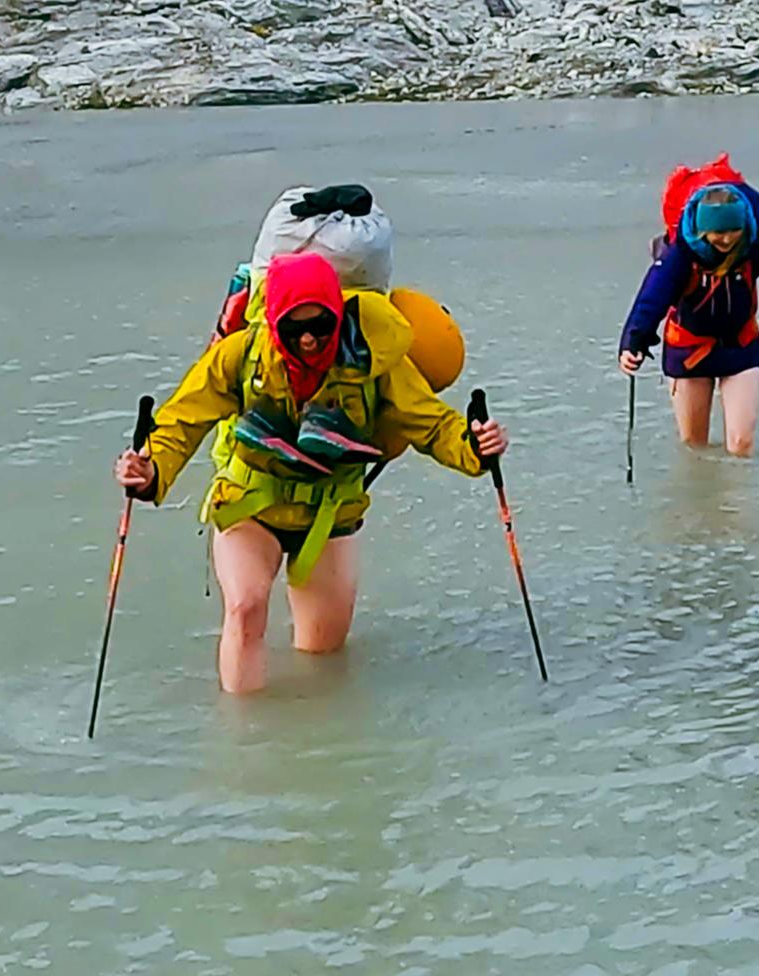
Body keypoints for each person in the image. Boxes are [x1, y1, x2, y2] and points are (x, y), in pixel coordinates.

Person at [115, 252, 507, 695]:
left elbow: (432, 423)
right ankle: (245, 742)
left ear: (338, 317)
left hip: (330, 513)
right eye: (293, 329)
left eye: (320, 327)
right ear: (273, 322)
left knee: (322, 659)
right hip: (250, 502)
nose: (307, 341)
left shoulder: (374, 362)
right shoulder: (240, 356)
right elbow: (180, 423)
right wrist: (149, 472)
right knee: (245, 607)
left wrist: (476, 448)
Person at [616, 157, 759, 459]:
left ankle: (739, 504)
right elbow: (651, 300)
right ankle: (700, 506)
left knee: (741, 446)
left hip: (741, 348)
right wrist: (633, 343)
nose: (727, 239)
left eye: (734, 230)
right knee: (694, 447)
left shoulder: (753, 244)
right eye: (718, 233)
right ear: (702, 230)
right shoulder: (680, 257)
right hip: (689, 352)